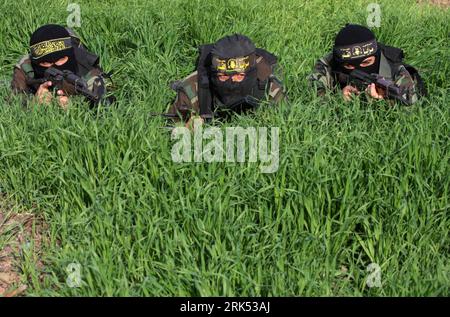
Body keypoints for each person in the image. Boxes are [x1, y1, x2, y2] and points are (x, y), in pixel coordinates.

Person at [167, 34, 286, 126]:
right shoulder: (193, 89)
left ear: (251, 74)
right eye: (222, 76)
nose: (231, 82)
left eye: (239, 76)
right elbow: (170, 124)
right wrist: (187, 128)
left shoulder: (268, 86)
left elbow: (286, 122)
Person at [308, 24, 426, 105]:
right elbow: (311, 99)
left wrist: (382, 101)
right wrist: (339, 98)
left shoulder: (395, 70)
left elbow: (413, 109)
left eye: (367, 62)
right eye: (349, 66)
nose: (359, 69)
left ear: (377, 56)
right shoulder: (328, 63)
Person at [11, 24, 111, 108]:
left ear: (71, 56)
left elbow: (103, 99)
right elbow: (12, 105)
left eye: (61, 60)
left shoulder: (87, 69)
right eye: (45, 63)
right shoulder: (26, 66)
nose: (54, 67)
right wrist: (34, 103)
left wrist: (75, 106)